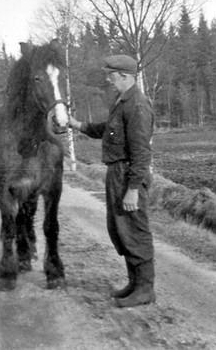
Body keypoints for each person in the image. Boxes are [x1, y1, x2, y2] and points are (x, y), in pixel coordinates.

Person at [68, 54, 156, 307]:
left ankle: (145, 290)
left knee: (135, 230)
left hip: (129, 175)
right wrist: (77, 124)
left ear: (126, 76)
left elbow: (141, 153)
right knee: (121, 230)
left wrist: (132, 189)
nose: (108, 79)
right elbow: (107, 129)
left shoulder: (137, 105)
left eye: (112, 75)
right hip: (117, 174)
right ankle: (134, 283)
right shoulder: (123, 102)